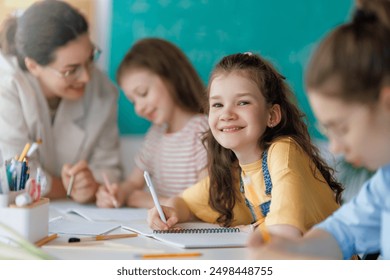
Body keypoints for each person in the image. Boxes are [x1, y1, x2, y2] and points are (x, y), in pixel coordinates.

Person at [248, 0, 390, 260]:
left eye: (342, 127)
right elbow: (342, 232)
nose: (334, 146)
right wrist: (294, 250)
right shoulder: (386, 182)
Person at [147, 52, 342, 239]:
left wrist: (253, 229)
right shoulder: (235, 173)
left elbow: (284, 230)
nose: (227, 114)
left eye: (242, 102)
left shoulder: (284, 151)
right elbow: (185, 202)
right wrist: (169, 210)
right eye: (217, 105)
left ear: (272, 115)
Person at [0, 0, 122, 203]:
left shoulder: (103, 91)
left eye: (91, 58)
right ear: (33, 66)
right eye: (71, 70)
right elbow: (13, 179)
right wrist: (65, 187)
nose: (86, 78)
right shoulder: (7, 85)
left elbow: (109, 172)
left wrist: (91, 186)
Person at [95, 38, 208, 209]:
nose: (139, 108)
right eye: (133, 101)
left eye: (143, 93)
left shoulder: (203, 130)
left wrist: (151, 201)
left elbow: (207, 201)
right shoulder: (156, 134)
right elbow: (133, 183)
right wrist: (118, 193)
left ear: (172, 77)